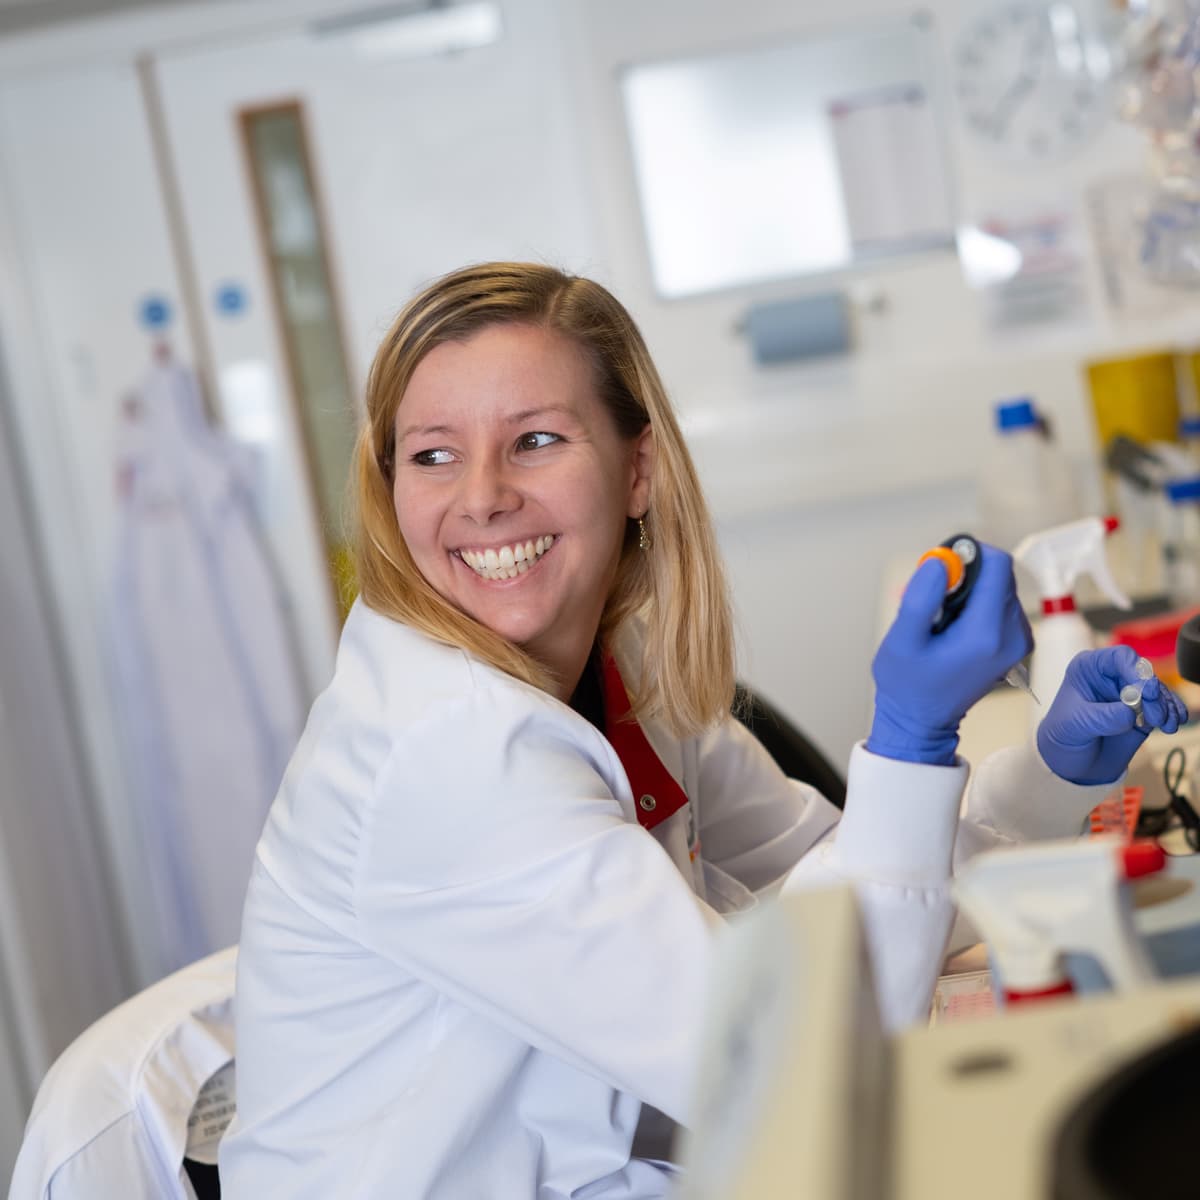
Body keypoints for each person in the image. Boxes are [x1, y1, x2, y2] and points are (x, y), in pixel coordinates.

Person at [219, 262, 1186, 1199]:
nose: (481, 496)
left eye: (535, 441)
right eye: (432, 454)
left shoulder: (613, 668)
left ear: (638, 469)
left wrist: (1050, 778)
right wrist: (910, 741)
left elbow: (842, 898)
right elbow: (777, 1058)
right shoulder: (447, 752)